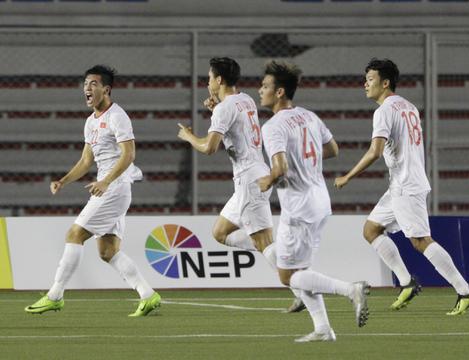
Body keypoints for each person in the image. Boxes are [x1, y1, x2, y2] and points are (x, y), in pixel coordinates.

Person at [335, 58, 469, 315]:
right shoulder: (408, 106)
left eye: (370, 80)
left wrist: (348, 176)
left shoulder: (384, 110)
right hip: (402, 183)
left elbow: (375, 151)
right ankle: (406, 283)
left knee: (421, 241)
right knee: (371, 229)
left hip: (406, 185)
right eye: (365, 79)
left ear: (385, 82)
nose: (365, 84)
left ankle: (464, 290)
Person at [25, 65, 160, 317]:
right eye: (85, 84)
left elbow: (129, 154)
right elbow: (86, 161)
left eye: (93, 84)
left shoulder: (117, 116)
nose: (87, 88)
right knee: (108, 251)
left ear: (106, 89)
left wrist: (106, 181)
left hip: (114, 188)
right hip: (110, 188)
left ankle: (55, 295)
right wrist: (63, 181)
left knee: (74, 234)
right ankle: (148, 294)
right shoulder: (90, 122)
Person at [258, 60, 369, 342]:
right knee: (302, 270)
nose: (260, 90)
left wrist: (267, 181)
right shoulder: (308, 116)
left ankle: (350, 290)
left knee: (287, 277)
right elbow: (332, 149)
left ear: (280, 92)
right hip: (320, 201)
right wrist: (306, 163)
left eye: (265, 86)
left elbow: (280, 168)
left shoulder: (272, 127)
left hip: (298, 207)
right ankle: (323, 329)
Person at [177, 57, 278, 273]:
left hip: (249, 180)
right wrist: (216, 109)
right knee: (220, 233)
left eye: (209, 78)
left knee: (263, 242)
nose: (207, 83)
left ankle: (301, 286)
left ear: (219, 80)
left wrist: (189, 136)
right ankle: (277, 251)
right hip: (257, 173)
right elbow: (236, 127)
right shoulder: (246, 99)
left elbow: (209, 148)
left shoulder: (225, 108)